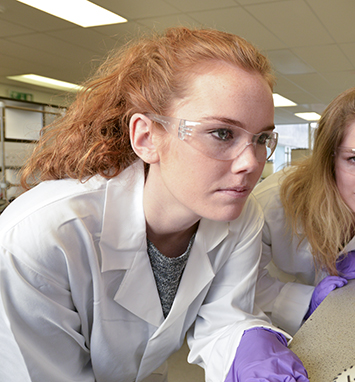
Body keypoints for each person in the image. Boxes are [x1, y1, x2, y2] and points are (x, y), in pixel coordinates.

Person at [0, 27, 308, 382]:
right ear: (146, 138)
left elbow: (223, 318)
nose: (251, 163)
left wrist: (249, 343)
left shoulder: (239, 215)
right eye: (222, 133)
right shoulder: (40, 237)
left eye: (261, 139)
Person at [253, 84, 355, 334]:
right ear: (329, 158)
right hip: (276, 322)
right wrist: (304, 301)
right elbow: (245, 284)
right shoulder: (270, 203)